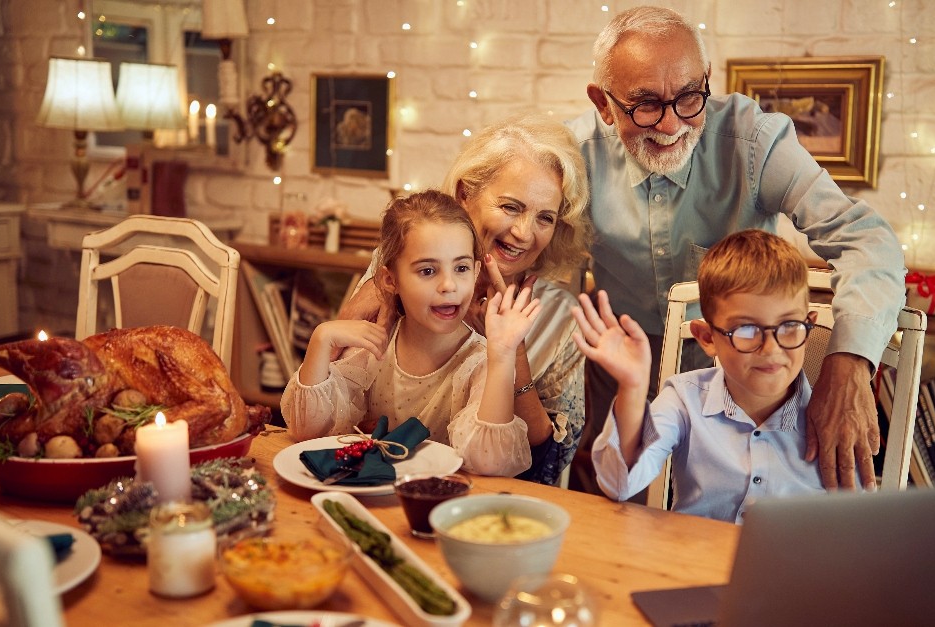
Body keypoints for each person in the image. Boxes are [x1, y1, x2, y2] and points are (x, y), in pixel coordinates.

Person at [565, 6, 905, 490]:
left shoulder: (755, 141)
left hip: (741, 382)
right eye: (645, 104)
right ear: (603, 103)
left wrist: (850, 361)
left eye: (688, 98)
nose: (669, 126)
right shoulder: (572, 154)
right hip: (623, 380)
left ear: (706, 79)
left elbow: (866, 238)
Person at [337, 113, 593, 486]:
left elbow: (550, 465)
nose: (524, 233)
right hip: (376, 486)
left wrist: (512, 353)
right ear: (464, 195)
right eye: (511, 207)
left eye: (545, 218)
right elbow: (335, 396)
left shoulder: (560, 317)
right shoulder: (395, 272)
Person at [575, 230, 853, 521]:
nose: (771, 349)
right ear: (707, 337)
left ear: (808, 326)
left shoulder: (834, 419)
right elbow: (618, 486)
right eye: (746, 329)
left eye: (788, 326)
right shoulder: (684, 400)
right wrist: (632, 387)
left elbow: (853, 529)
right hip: (692, 561)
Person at [280, 190, 540, 477]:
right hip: (371, 499)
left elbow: (492, 462)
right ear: (390, 280)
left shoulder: (481, 363)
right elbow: (307, 430)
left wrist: (503, 356)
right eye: (428, 271)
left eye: (462, 268)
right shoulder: (375, 347)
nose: (448, 285)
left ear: (477, 271)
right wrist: (321, 339)